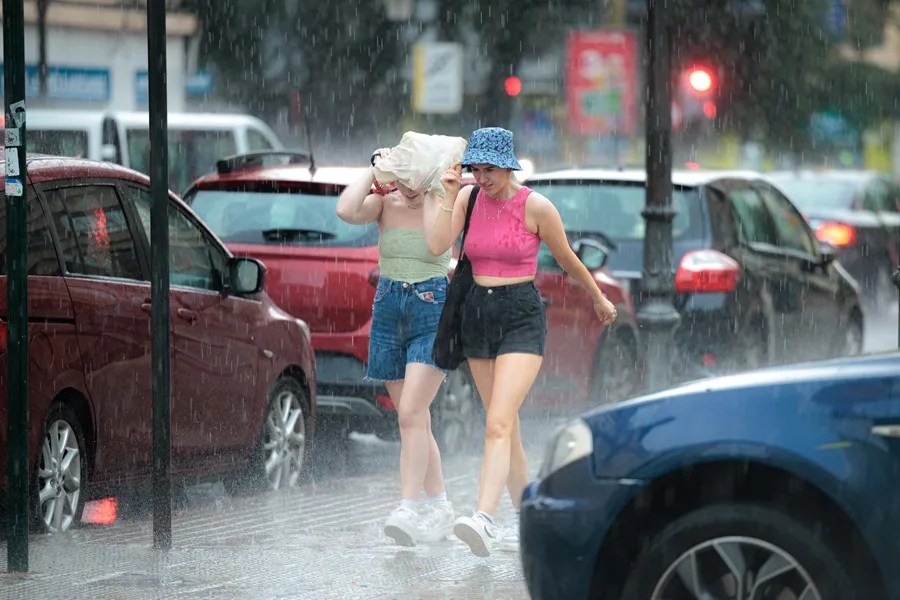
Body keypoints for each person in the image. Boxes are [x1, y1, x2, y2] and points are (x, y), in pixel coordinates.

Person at [424, 127, 617, 557]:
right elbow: (438, 244)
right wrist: (447, 193)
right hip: (476, 312)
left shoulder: (536, 207)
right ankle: (531, 523)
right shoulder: (467, 199)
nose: (482, 177)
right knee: (505, 426)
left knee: (497, 422)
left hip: (521, 314)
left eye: (489, 169)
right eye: (476, 168)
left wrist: (599, 297)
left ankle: (485, 518)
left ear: (508, 165)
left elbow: (567, 258)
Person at [335, 132, 466, 547]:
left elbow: (434, 243)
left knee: (411, 411)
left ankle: (408, 506)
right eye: (402, 178)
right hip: (389, 307)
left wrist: (430, 193)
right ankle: (441, 507)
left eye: (415, 178)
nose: (406, 187)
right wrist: (376, 170)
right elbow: (345, 209)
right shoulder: (384, 202)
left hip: (431, 306)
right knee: (413, 418)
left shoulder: (439, 201)